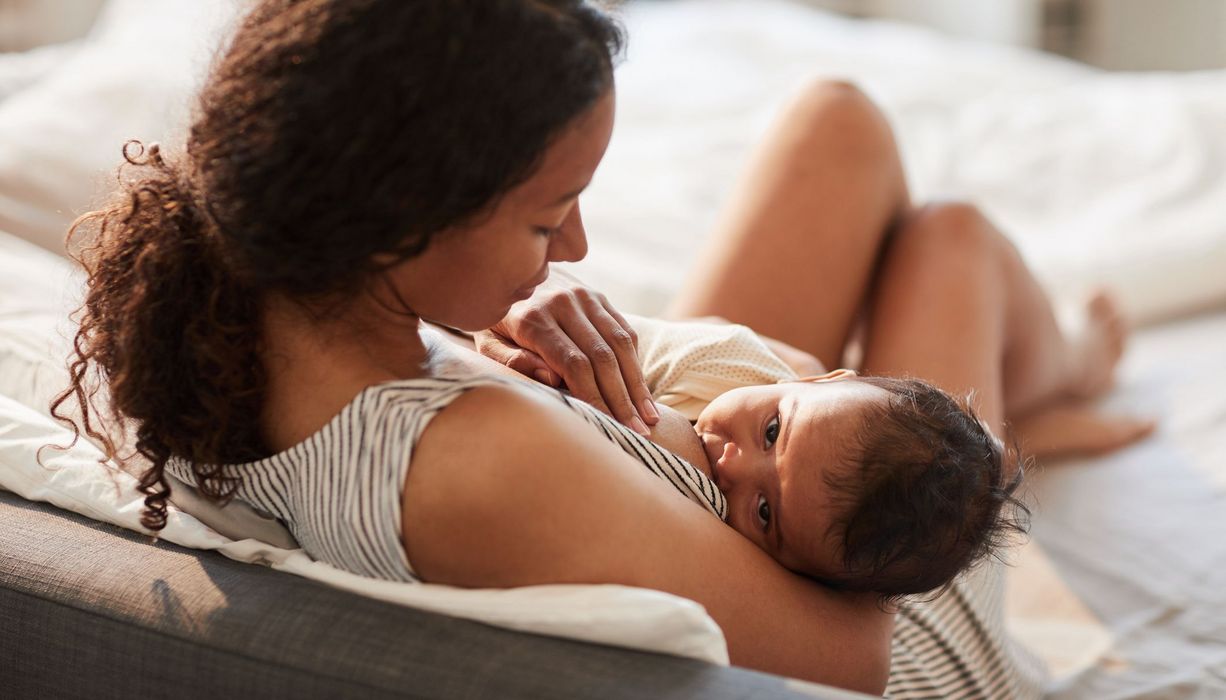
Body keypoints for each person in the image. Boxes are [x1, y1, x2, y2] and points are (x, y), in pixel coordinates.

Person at [50, 0, 1150, 696]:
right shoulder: (479, 461)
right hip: (873, 584)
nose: (574, 245)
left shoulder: (247, 298)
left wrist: (486, 331)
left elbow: (596, 455)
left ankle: (1024, 392)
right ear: (400, 216)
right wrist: (836, 438)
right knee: (949, 241)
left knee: (836, 123)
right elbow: (855, 657)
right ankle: (1040, 391)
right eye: (546, 216)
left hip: (697, 463)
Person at [614, 313, 1026, 601]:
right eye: (771, 432)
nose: (729, 466)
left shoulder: (789, 567)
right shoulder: (721, 358)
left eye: (763, 513)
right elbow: (608, 337)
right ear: (815, 379)